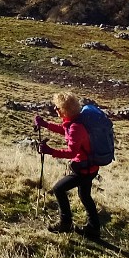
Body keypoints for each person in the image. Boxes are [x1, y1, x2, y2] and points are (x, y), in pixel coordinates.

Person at [35, 92, 101, 239]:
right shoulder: (75, 122)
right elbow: (64, 130)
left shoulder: (76, 127)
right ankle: (93, 228)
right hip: (90, 167)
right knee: (85, 195)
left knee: (58, 189)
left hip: (83, 169)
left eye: (57, 108)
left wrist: (49, 151)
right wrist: (45, 124)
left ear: (65, 109)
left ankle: (65, 223)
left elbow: (72, 153)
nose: (55, 110)